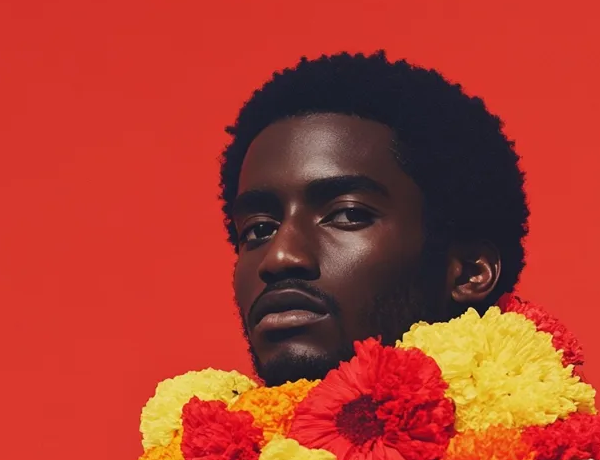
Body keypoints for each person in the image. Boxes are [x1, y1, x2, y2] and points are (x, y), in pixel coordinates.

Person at [221, 50, 530, 386]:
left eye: (348, 215)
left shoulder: (550, 438)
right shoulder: (176, 437)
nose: (280, 257)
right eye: (259, 230)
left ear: (468, 273)